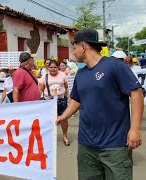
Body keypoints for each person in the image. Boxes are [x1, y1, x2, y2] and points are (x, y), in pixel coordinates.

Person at [56, 29, 143, 180]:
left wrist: (135, 129)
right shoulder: (81, 74)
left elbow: (136, 93)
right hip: (86, 146)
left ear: (83, 46)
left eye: (74, 47)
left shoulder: (114, 66)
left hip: (115, 145)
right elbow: (77, 100)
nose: (73, 53)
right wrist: (62, 117)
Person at [39, 61, 70, 145]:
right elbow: (40, 89)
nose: (53, 69)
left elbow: (66, 87)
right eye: (51, 67)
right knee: (48, 120)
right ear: (48, 68)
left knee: (64, 119)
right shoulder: (44, 76)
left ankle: (65, 136)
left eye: (55, 67)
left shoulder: (62, 75)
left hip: (61, 100)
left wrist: (69, 97)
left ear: (58, 67)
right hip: (48, 101)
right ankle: (48, 137)